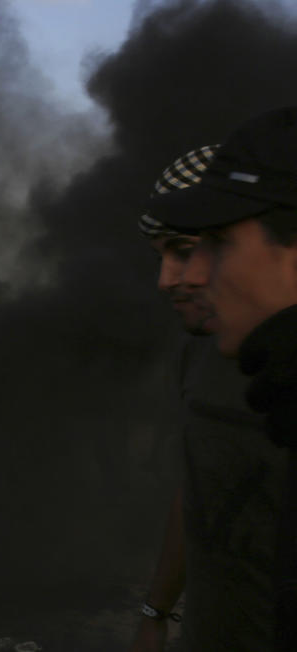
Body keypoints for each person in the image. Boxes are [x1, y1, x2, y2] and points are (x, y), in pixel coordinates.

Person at [129, 146, 287, 652]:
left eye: (184, 249)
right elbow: (198, 488)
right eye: (163, 258)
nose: (170, 280)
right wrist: (156, 611)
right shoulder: (197, 353)